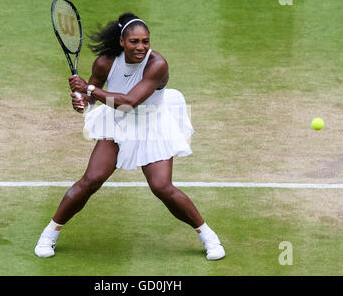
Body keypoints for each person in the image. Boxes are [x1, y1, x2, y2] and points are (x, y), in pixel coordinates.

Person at [34, 13, 225, 261]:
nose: (141, 47)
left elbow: (129, 102)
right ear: (122, 42)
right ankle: (49, 234)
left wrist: (89, 89)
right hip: (118, 124)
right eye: (134, 42)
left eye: (145, 41)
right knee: (91, 179)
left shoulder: (157, 64)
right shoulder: (105, 63)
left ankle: (209, 237)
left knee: (162, 187)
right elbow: (90, 102)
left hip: (151, 123)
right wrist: (81, 101)